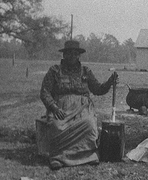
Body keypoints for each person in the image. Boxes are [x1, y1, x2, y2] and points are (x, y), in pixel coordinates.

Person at [40, 40, 118, 170]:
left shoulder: (85, 71)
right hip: (61, 109)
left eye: (75, 54)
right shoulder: (54, 71)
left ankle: (89, 156)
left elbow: (98, 89)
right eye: (69, 53)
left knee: (89, 124)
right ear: (64, 55)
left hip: (82, 109)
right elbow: (44, 92)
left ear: (79, 56)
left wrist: (110, 82)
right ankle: (58, 157)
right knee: (57, 126)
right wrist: (54, 107)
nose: (72, 56)